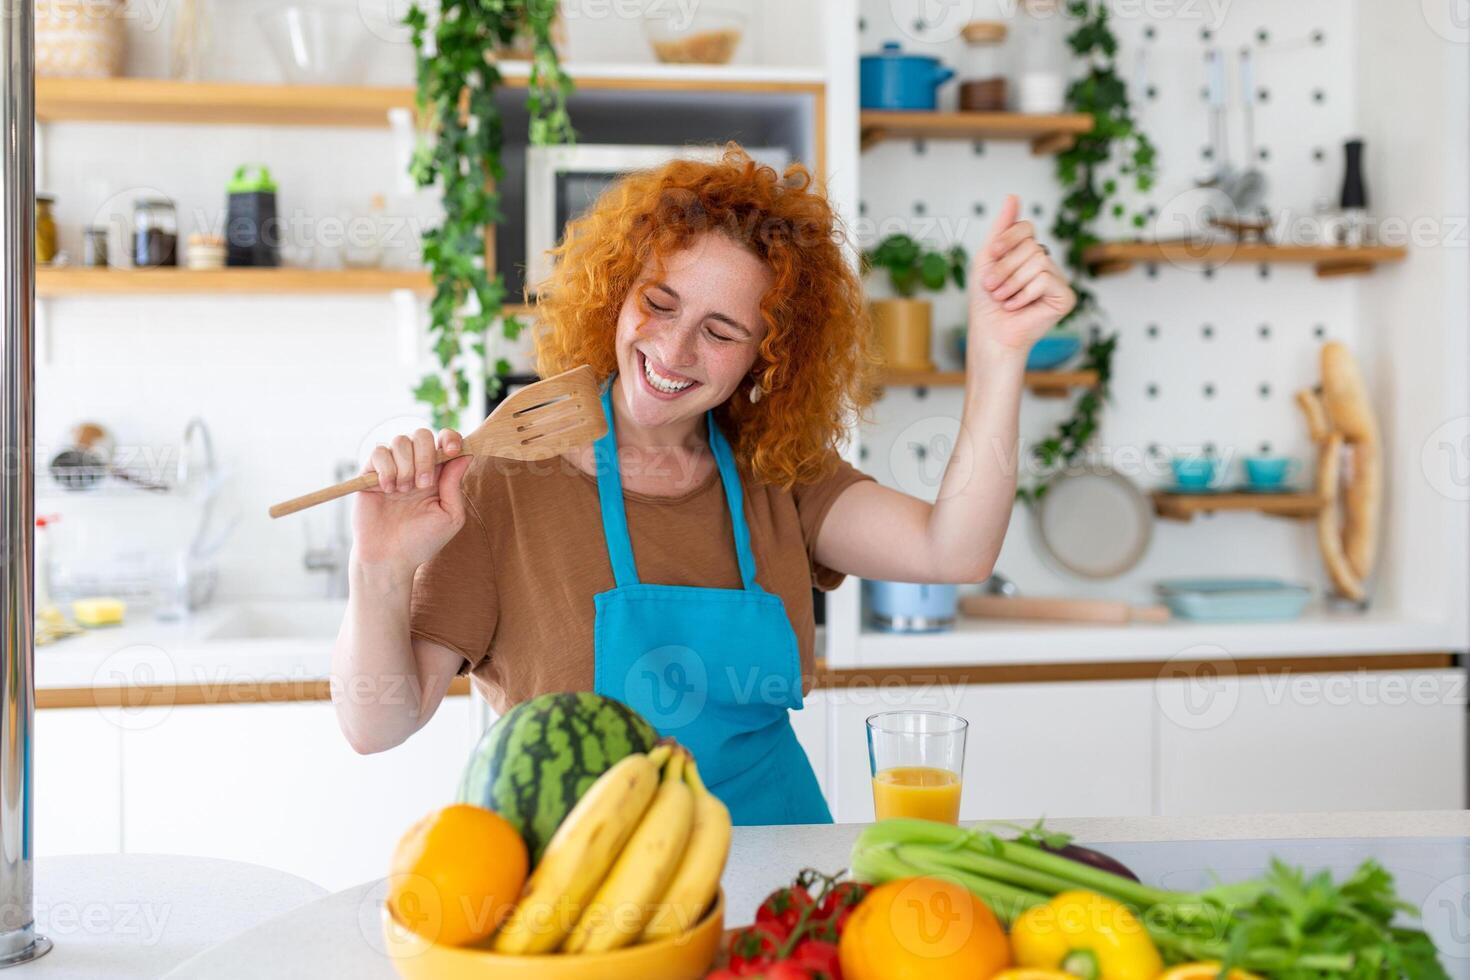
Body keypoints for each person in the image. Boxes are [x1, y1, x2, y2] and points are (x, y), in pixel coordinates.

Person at [332, 147, 1075, 825]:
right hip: (584, 896)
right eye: (659, 304)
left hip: (775, 872)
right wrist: (380, 568)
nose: (675, 348)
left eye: (721, 332)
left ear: (767, 356)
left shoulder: (777, 468)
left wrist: (998, 353)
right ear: (616, 294)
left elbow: (955, 550)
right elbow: (377, 726)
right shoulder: (503, 481)